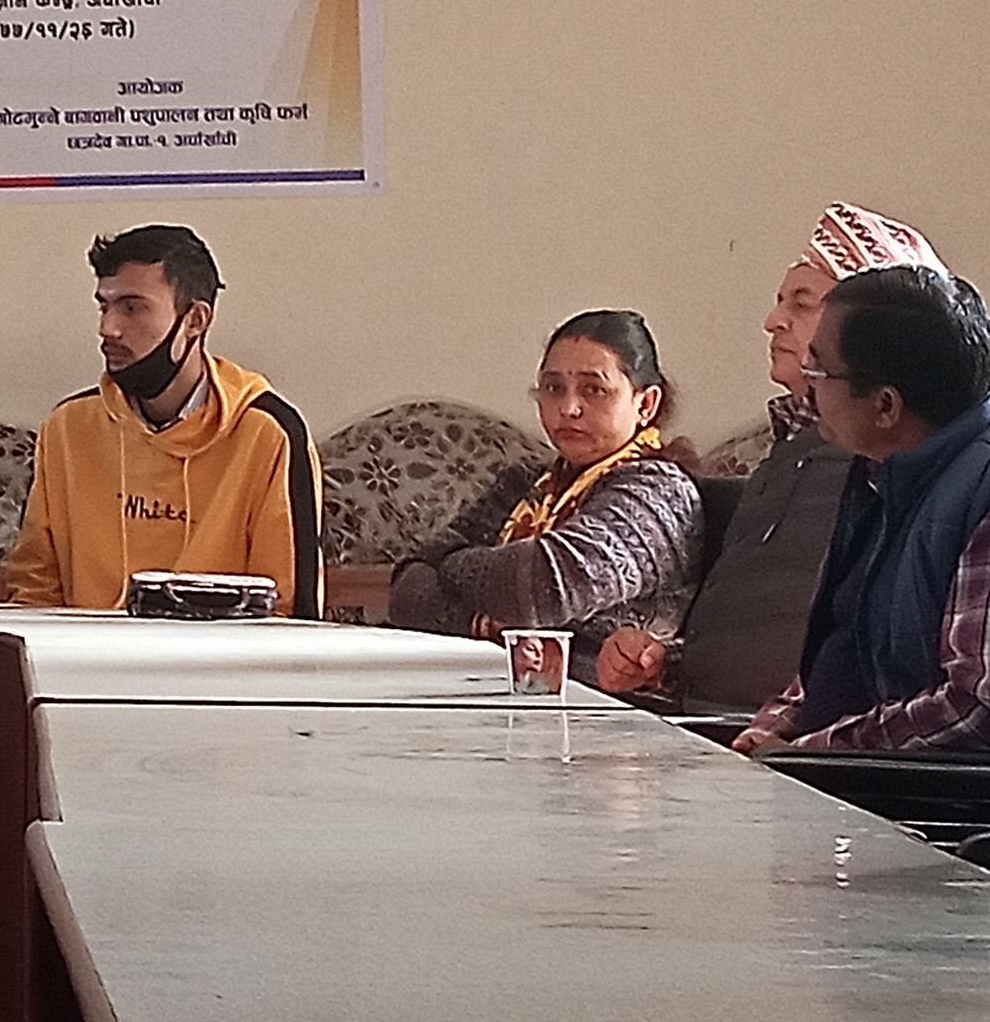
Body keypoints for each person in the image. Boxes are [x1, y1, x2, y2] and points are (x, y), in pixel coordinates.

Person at [598, 203, 947, 710]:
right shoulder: (785, 454)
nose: (772, 322)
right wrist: (660, 661)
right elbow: (764, 623)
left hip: (799, 739)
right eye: (781, 302)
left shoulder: (891, 459)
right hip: (712, 721)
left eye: (801, 305)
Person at [0, 225, 321, 616]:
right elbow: (34, 591)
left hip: (220, 655)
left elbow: (288, 611)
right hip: (82, 653)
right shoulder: (68, 428)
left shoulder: (267, 433)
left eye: (132, 307)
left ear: (195, 320)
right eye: (104, 306)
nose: (108, 328)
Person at [734, 265, 990, 753]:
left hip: (914, 794)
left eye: (818, 372)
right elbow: (843, 646)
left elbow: (977, 707)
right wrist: (778, 725)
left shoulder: (979, 491)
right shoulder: (879, 472)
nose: (808, 388)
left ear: (886, 406)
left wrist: (817, 752)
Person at [388, 310, 701, 678]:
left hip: (596, 701)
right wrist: (482, 624)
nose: (568, 408)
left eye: (594, 390)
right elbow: (406, 589)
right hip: (490, 686)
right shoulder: (523, 483)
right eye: (553, 388)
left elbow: (540, 590)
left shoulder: (658, 494)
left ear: (645, 404)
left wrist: (449, 562)